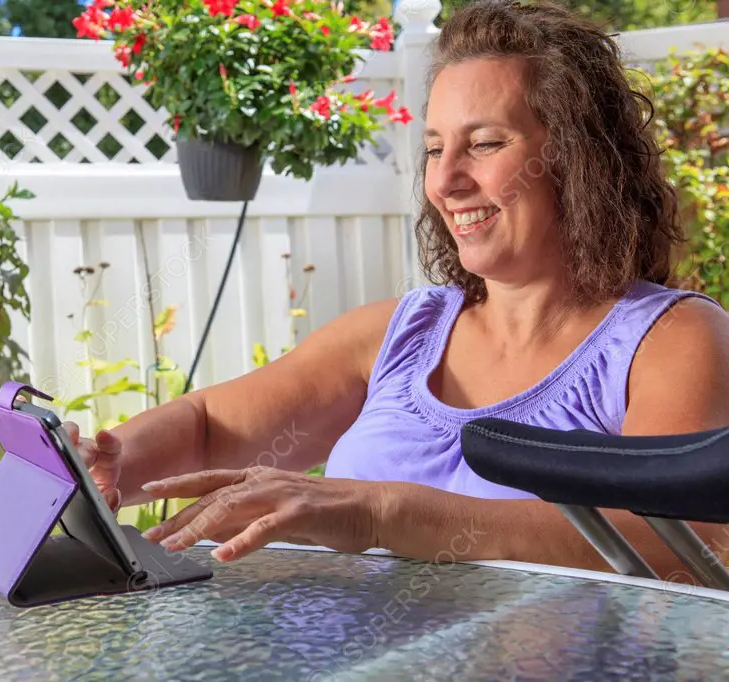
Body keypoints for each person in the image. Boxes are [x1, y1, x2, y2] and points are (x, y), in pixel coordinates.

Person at [62, 0, 729, 578]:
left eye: (486, 143)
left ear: (577, 158)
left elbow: (685, 548)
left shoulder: (670, 340)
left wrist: (385, 513)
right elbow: (210, 429)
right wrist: (113, 460)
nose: (445, 182)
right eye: (437, 148)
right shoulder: (400, 334)